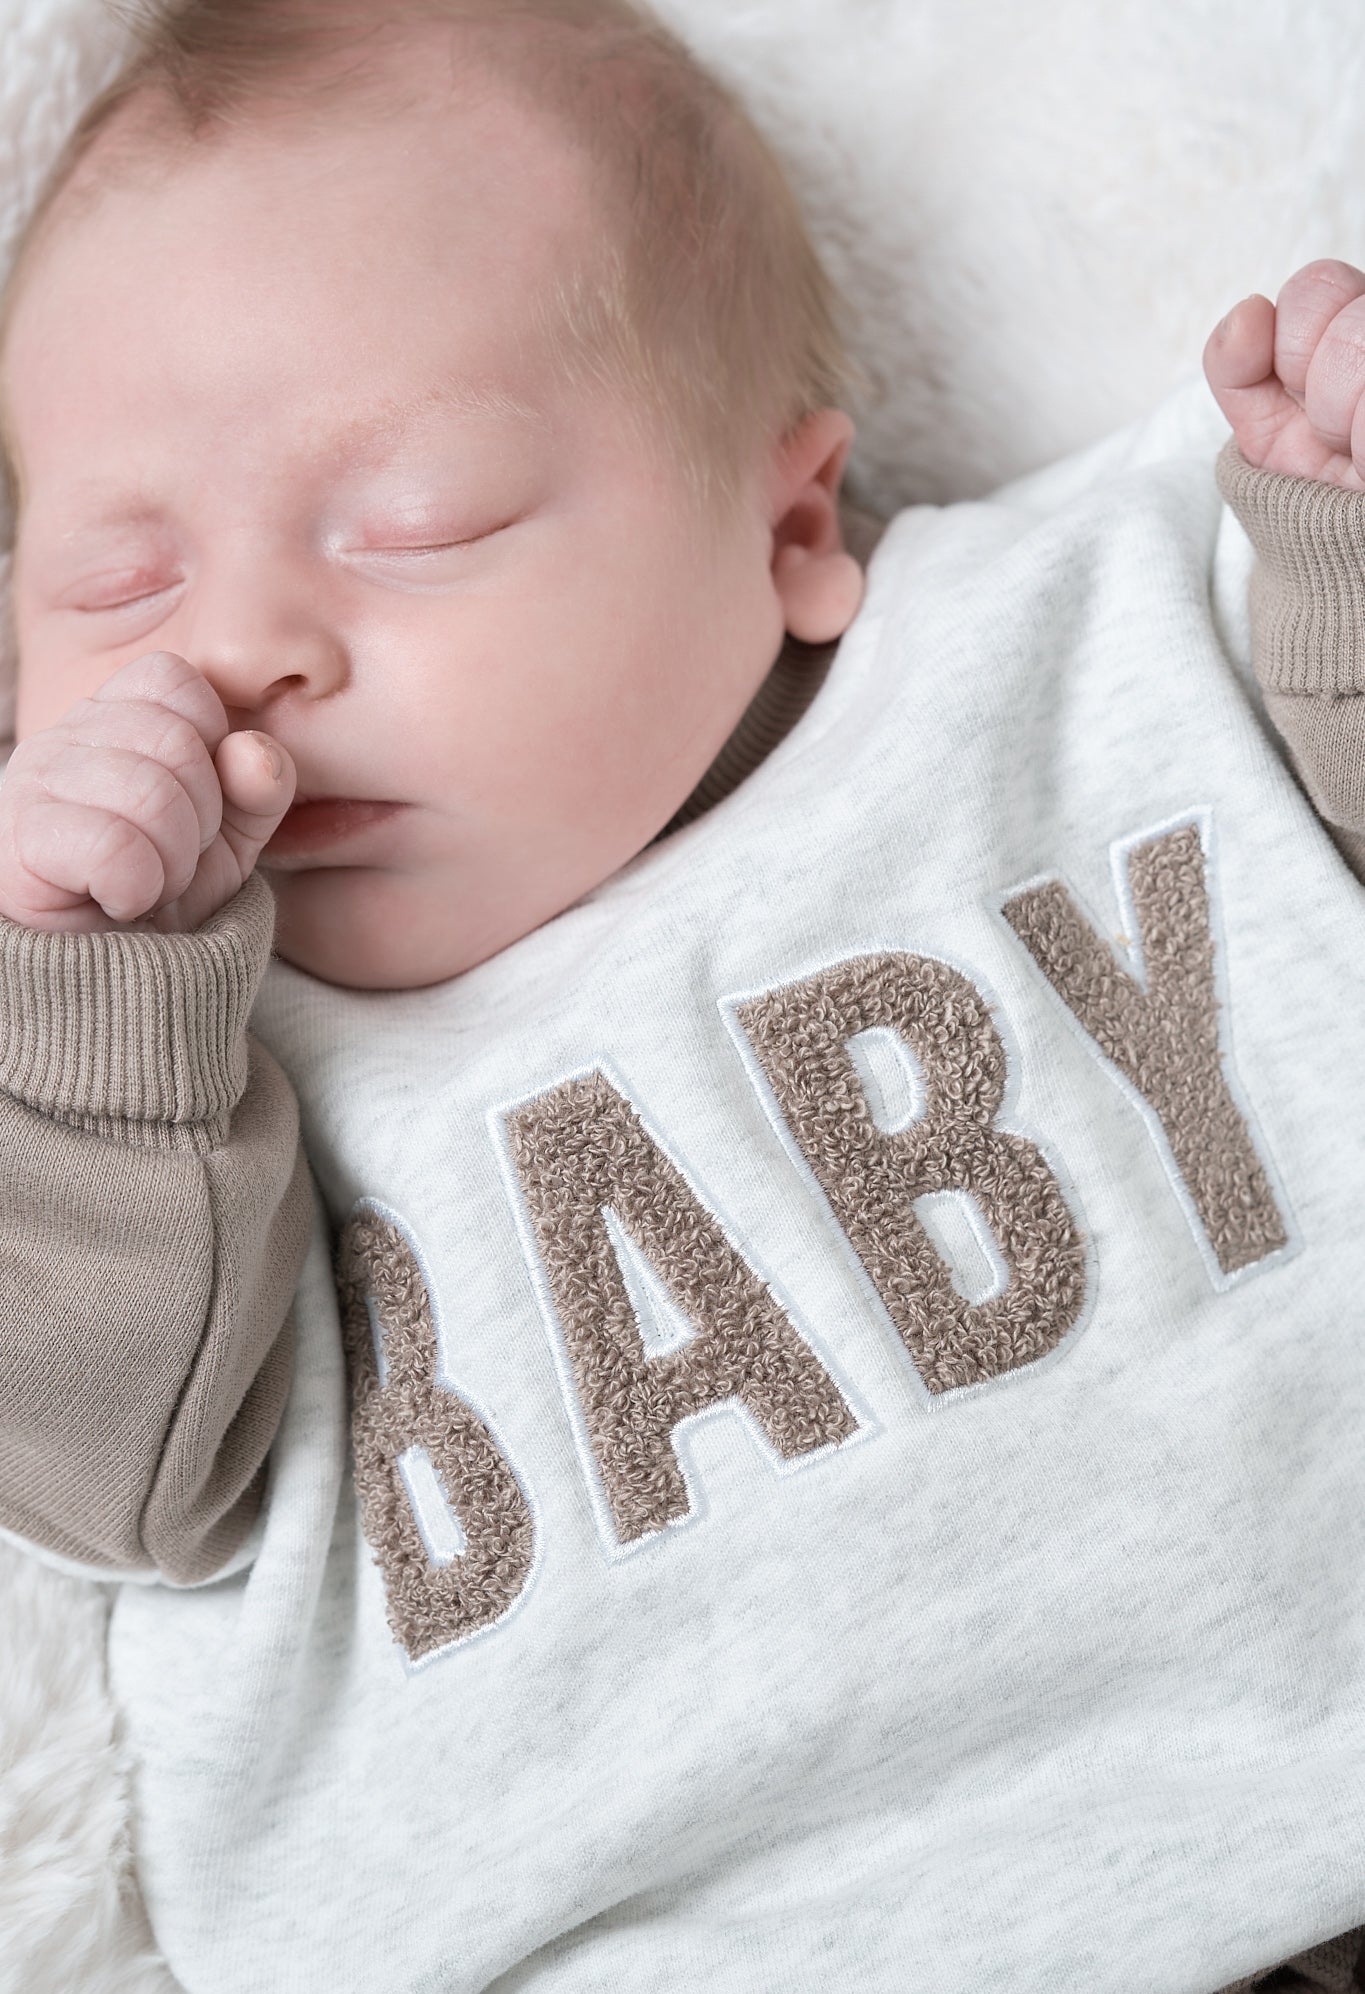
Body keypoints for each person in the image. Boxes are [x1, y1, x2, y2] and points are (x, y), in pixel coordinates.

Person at [0, 1, 1363, 1988]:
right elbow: (90, 1479)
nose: (240, 646)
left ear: (788, 522)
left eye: (416, 526)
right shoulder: (154, 1072)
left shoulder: (1077, 643)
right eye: (114, 583)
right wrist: (95, 1018)